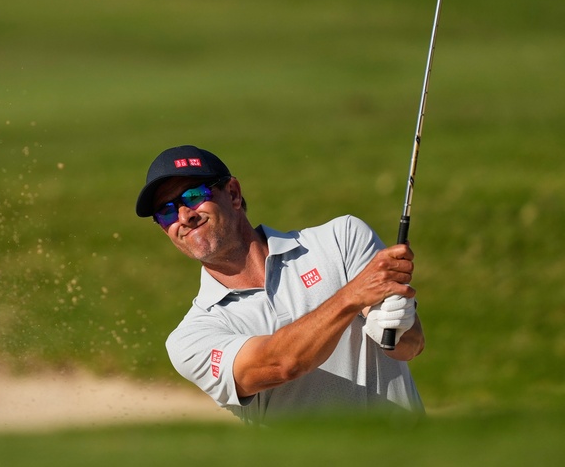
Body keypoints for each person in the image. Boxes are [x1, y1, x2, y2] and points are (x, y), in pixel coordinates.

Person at [135, 145, 424, 424]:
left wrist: (398, 324)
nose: (184, 217)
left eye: (195, 194)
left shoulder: (341, 240)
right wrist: (351, 297)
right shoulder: (191, 338)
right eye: (167, 212)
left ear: (233, 193)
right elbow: (281, 365)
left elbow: (411, 345)